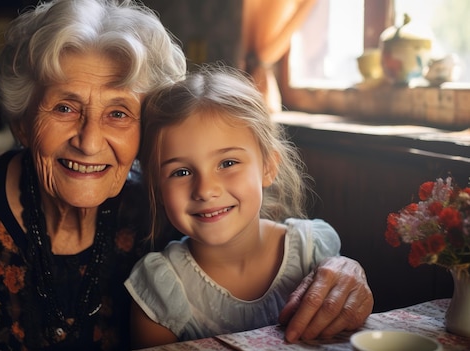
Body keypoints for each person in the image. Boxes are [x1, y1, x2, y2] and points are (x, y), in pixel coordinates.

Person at [0, 0, 372, 350]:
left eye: (118, 113)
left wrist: (341, 271)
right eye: (66, 107)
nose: (90, 141)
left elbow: (256, 242)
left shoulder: (158, 203)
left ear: (145, 132)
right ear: (24, 120)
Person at [124, 64, 373, 349]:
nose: (205, 190)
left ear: (268, 167)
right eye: (181, 172)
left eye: (227, 163)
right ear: (157, 188)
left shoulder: (313, 250)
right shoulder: (160, 287)